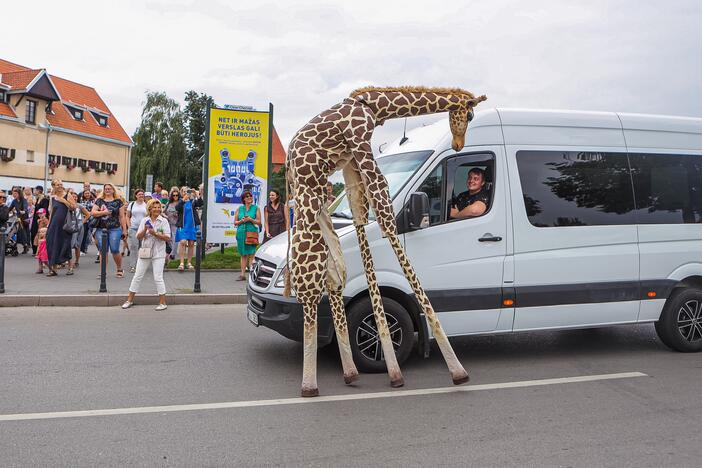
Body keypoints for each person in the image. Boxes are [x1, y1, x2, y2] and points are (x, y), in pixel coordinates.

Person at [121, 199, 171, 311]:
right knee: (137, 276)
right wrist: (145, 230)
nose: (157, 209)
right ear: (150, 208)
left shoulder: (163, 221)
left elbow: (168, 237)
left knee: (158, 277)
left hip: (159, 252)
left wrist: (155, 233)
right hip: (145, 251)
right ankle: (129, 300)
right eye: (155, 207)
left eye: (159, 207)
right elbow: (138, 237)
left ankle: (163, 302)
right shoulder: (145, 220)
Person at [91, 183, 127, 278]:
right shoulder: (99, 201)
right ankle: (103, 272)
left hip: (115, 228)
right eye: (106, 189)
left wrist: (124, 230)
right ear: (104, 190)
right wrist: (104, 212)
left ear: (113, 190)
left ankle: (119, 269)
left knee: (115, 249)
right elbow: (93, 212)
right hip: (101, 228)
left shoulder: (118, 201)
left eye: (109, 189)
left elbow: (122, 216)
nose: (107, 190)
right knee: (103, 250)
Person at [45, 179, 76, 276]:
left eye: (61, 184)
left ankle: (70, 267)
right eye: (58, 184)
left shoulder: (68, 195)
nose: (60, 186)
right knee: (52, 244)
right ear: (53, 186)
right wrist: (48, 225)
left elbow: (73, 207)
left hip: (65, 225)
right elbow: (51, 213)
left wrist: (63, 201)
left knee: (65, 244)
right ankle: (54, 269)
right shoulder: (52, 197)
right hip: (54, 225)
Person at [175, 187, 203, 271]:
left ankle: (189, 262)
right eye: (184, 192)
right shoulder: (181, 201)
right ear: (181, 192)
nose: (186, 193)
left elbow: (200, 203)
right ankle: (181, 263)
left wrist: (197, 194)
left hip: (192, 225)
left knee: (191, 243)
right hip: (183, 225)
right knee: (183, 242)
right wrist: (183, 199)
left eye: (187, 192)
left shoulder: (193, 201)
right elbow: (177, 208)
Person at [235, 190, 261, 281]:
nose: (249, 197)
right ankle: (242, 275)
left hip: (252, 233)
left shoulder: (256, 208)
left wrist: (251, 219)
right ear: (243, 199)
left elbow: (259, 222)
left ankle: (251, 274)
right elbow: (235, 222)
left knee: (251, 254)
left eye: (250, 196)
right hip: (241, 233)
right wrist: (241, 221)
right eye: (247, 196)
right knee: (243, 254)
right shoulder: (239, 208)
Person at [66, 189, 91, 274]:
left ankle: (76, 261)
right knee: (70, 243)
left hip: (78, 225)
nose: (75, 198)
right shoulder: (67, 205)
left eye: (76, 197)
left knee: (77, 244)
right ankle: (68, 261)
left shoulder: (79, 206)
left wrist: (82, 222)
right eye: (73, 197)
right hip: (69, 225)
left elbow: (88, 214)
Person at [126, 189, 148, 273]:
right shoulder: (131, 204)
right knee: (134, 247)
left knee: (142, 247)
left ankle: (141, 266)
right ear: (136, 195)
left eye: (142, 194)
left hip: (143, 229)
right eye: (139, 194)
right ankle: (133, 266)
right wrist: (129, 226)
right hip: (134, 228)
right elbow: (127, 216)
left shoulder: (146, 205)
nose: (141, 196)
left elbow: (149, 217)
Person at [30, 185, 49, 254]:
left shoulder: (45, 199)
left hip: (41, 219)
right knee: (33, 233)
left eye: (35, 190)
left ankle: (39, 251)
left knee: (39, 234)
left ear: (39, 191)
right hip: (35, 219)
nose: (34, 191)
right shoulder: (37, 199)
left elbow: (45, 210)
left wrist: (42, 219)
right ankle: (35, 250)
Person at [164, 189, 180, 259]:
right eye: (174, 195)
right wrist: (166, 216)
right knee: (168, 238)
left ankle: (172, 254)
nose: (175, 196)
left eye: (177, 195)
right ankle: (172, 252)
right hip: (168, 223)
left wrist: (178, 214)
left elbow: (184, 213)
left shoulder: (180, 203)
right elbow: (162, 212)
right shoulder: (169, 203)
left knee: (174, 238)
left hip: (176, 224)